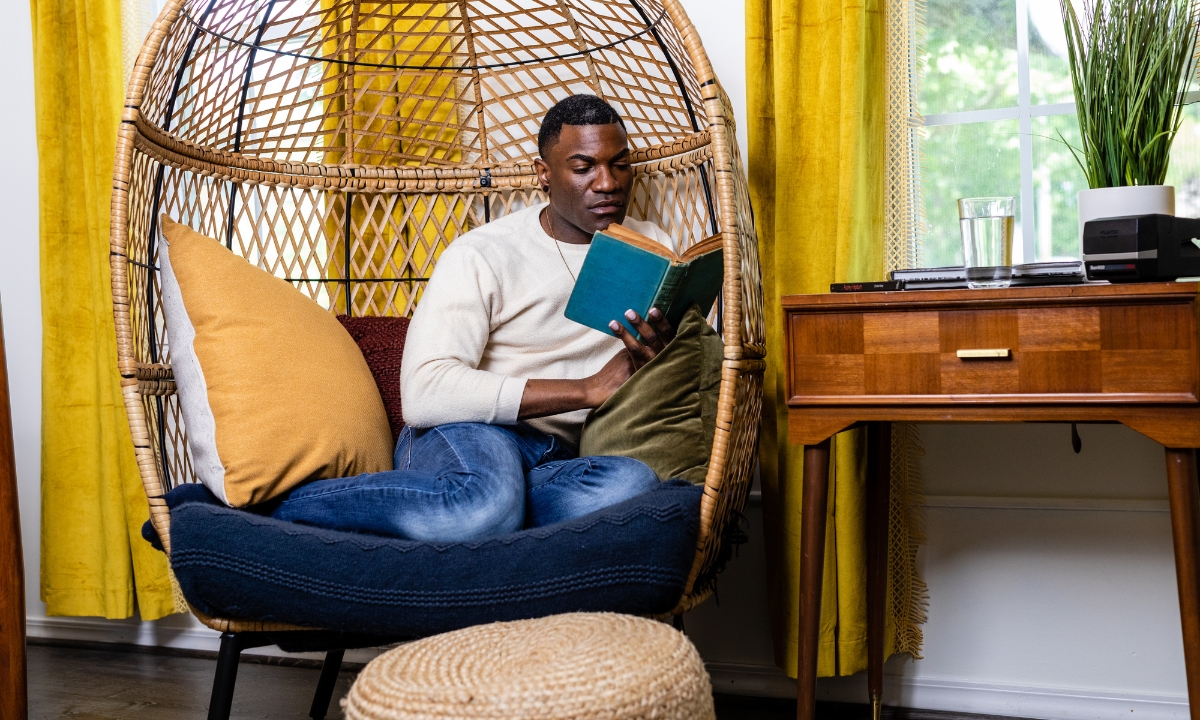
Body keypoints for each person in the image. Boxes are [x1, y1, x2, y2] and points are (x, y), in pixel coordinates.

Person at [269, 95, 680, 542]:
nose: (607, 183)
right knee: (482, 504)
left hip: (561, 455)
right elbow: (425, 393)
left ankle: (487, 514)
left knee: (631, 486)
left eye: (619, 165)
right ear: (543, 174)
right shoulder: (483, 253)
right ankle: (283, 507)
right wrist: (586, 389)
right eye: (583, 168)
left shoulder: (652, 244)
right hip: (470, 432)